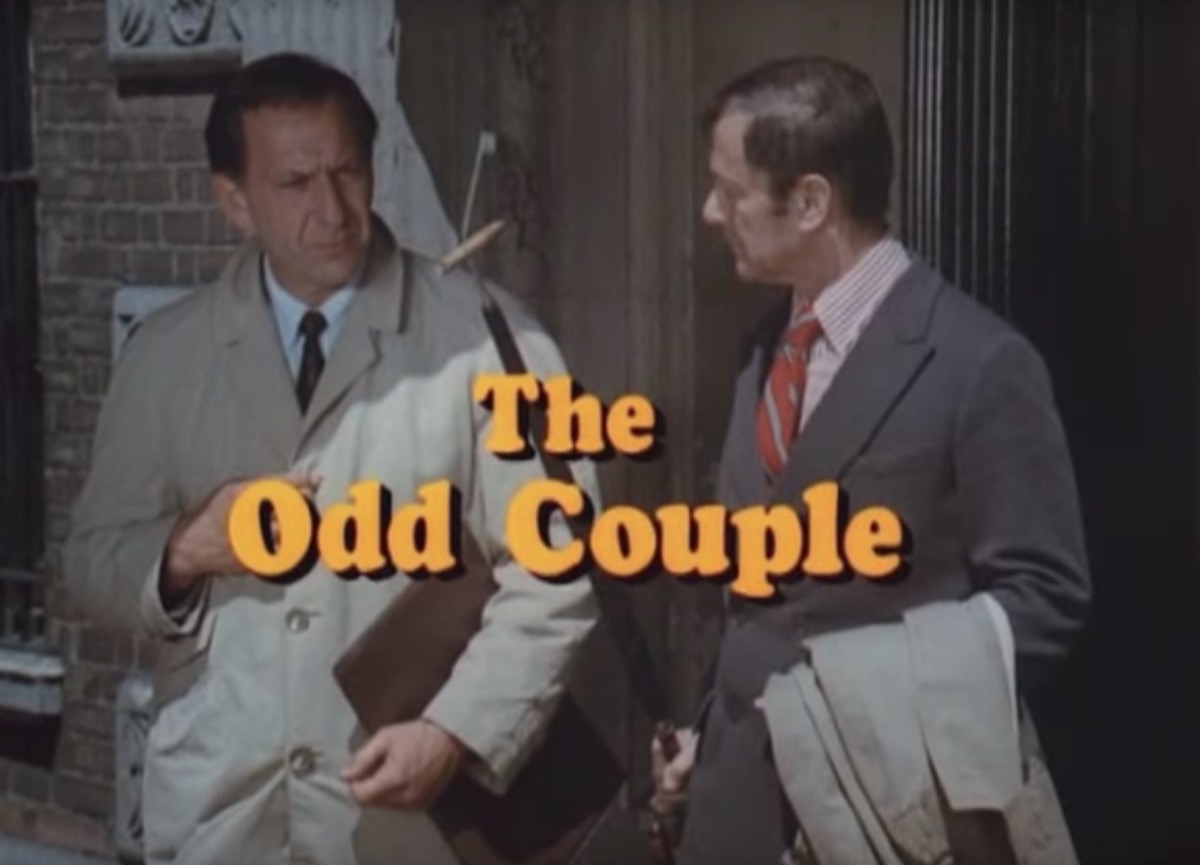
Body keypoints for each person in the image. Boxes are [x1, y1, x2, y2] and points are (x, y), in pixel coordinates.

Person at [64, 52, 599, 865]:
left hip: (407, 828)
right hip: (222, 822)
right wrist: (184, 549)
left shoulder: (490, 339)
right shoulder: (165, 356)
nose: (333, 209)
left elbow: (557, 569)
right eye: (295, 183)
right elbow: (91, 561)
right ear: (233, 200)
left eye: (347, 171)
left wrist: (454, 730)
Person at [650, 56, 1091, 864]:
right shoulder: (761, 347)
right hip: (733, 811)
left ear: (811, 202)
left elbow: (1045, 597)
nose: (711, 212)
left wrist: (855, 702)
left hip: (879, 821)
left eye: (732, 191)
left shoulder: (981, 362)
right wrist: (712, 733)